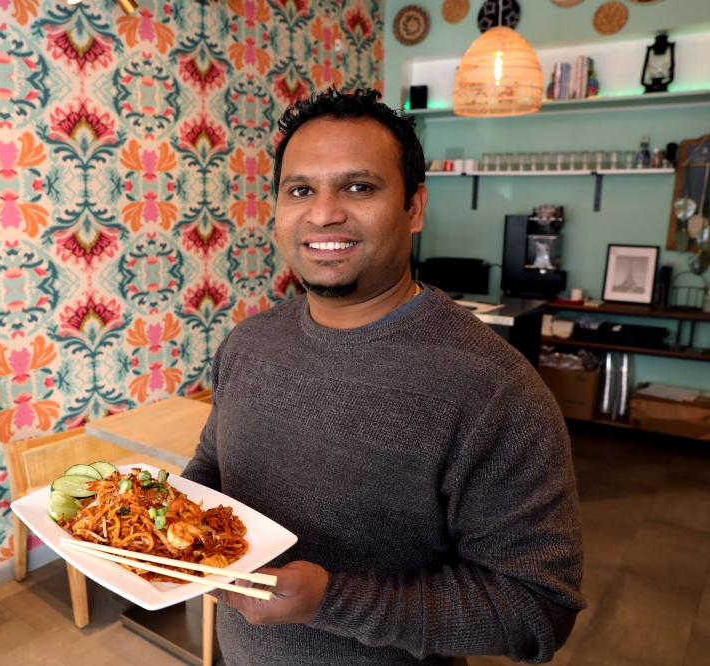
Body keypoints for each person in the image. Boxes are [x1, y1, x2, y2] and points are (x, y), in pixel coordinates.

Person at [180, 88, 585, 666]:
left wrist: (331, 601)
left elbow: (537, 609)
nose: (323, 213)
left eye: (358, 187)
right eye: (300, 190)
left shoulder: (493, 388)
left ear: (414, 208)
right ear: (275, 210)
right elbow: (211, 469)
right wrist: (158, 520)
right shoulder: (248, 343)